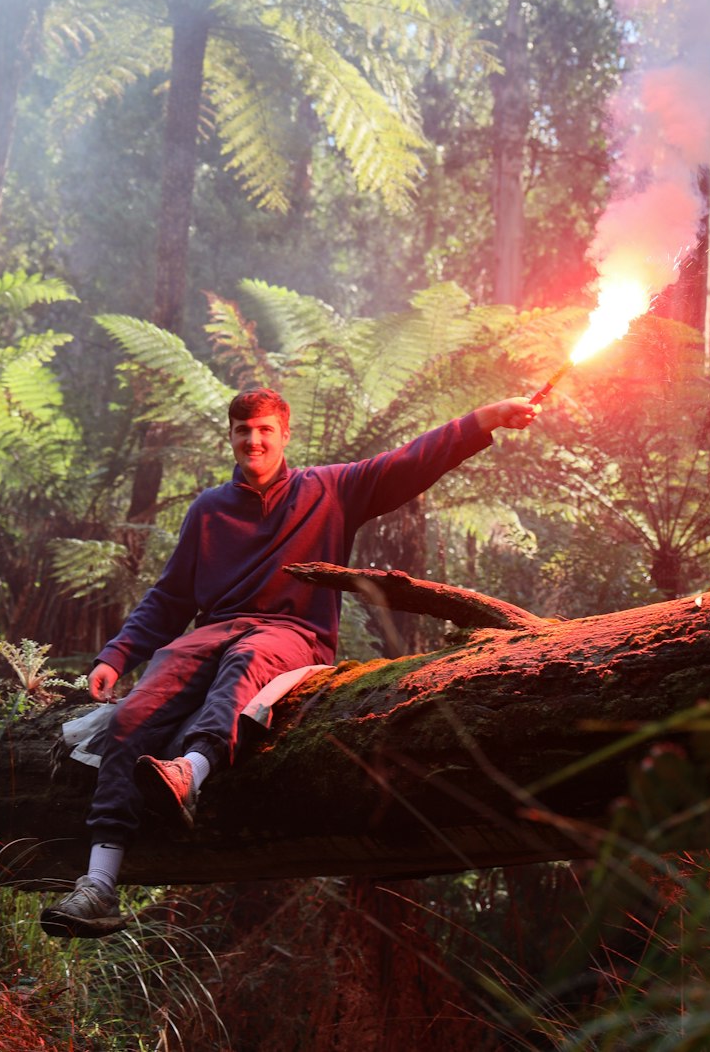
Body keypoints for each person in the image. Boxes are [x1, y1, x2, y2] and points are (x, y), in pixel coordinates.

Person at [41, 385, 538, 937]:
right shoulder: (207, 510)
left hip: (292, 634)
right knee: (134, 714)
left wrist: (484, 417)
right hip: (212, 633)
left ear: (285, 434)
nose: (253, 440)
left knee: (246, 664)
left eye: (264, 430)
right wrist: (117, 654)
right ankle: (99, 885)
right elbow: (170, 598)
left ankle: (191, 772)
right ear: (230, 436)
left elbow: (408, 463)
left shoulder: (331, 489)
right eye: (242, 431)